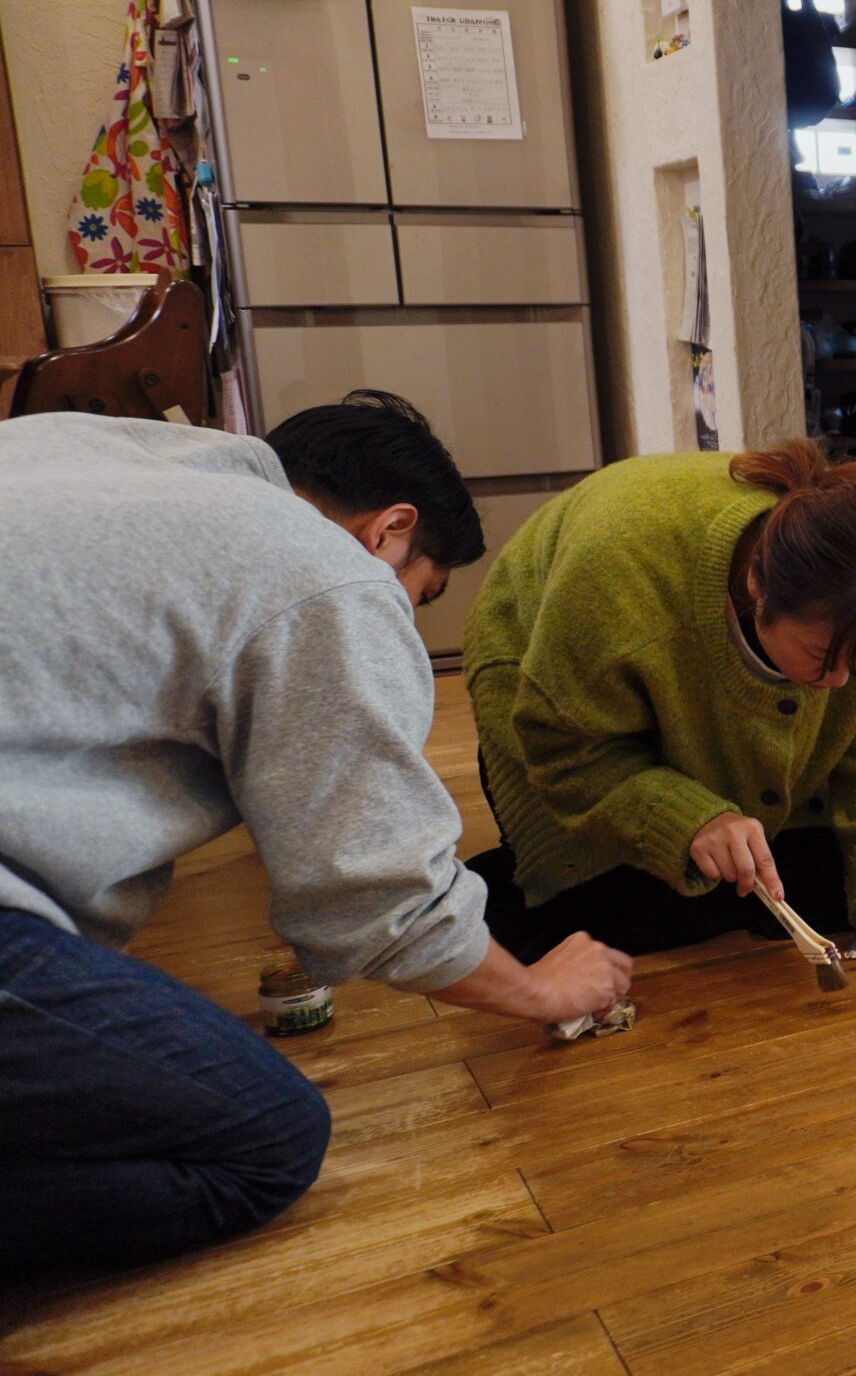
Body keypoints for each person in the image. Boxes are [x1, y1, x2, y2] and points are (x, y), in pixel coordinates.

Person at [0, 394, 633, 1275]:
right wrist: (539, 990)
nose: (402, 617)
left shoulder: (79, 443)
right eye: (421, 593)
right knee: (268, 1138)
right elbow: (383, 899)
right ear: (388, 531)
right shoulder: (323, 570)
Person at [462, 442, 856, 968]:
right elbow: (568, 751)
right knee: (620, 909)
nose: (840, 684)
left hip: (670, 710)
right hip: (547, 705)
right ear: (757, 586)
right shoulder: (618, 570)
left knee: (815, 886)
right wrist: (690, 819)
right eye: (824, 657)